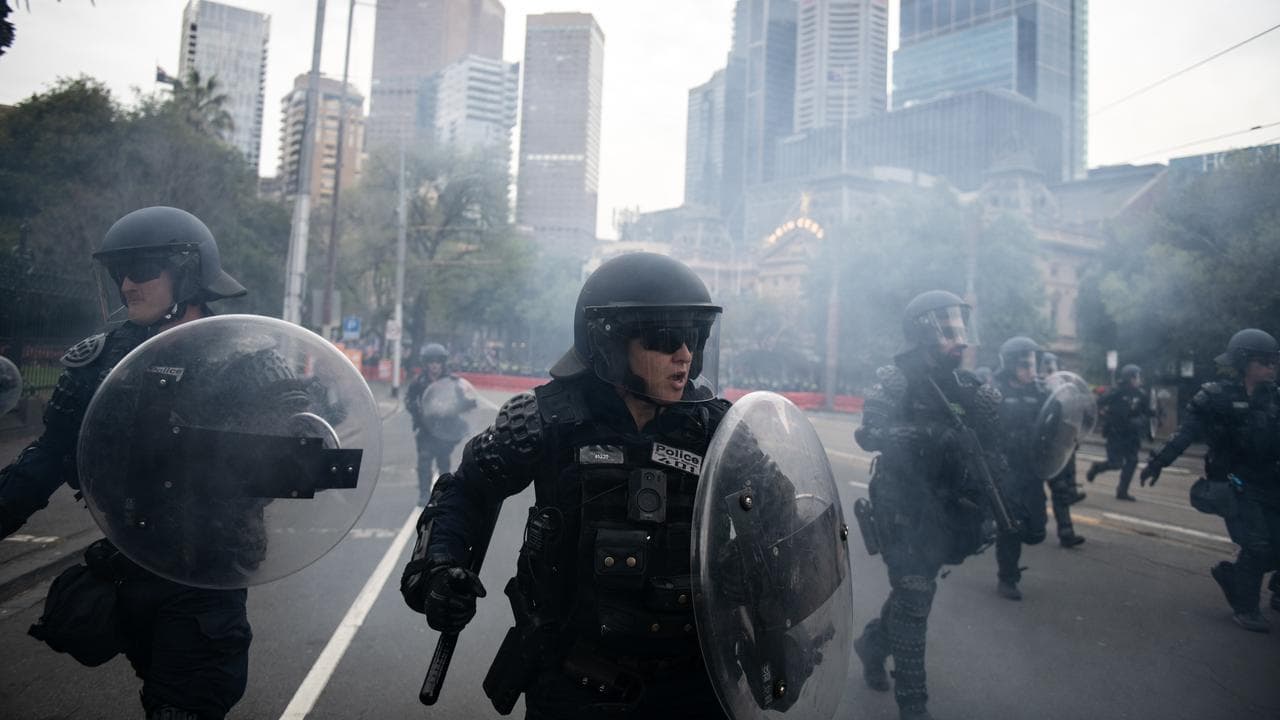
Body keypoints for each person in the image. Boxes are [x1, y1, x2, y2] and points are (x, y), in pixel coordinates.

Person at [400, 253, 737, 719]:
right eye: (665, 338)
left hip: (695, 685)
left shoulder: (721, 431)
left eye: (695, 337)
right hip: (577, 683)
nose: (684, 354)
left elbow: (784, 526)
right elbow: (464, 493)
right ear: (610, 344)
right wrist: (438, 569)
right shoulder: (546, 421)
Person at [0, 207, 253, 719]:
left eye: (141, 270)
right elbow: (46, 458)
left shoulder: (240, 357)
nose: (127, 285)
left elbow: (298, 454)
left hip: (204, 577)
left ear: (185, 272)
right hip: (128, 569)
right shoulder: (99, 362)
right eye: (119, 273)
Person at [852, 290, 1010, 720]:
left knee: (913, 594)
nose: (960, 341)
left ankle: (872, 643)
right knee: (915, 592)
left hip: (947, 509)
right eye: (948, 331)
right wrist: (932, 438)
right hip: (902, 502)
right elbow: (871, 433)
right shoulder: (897, 379)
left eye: (962, 330)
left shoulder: (970, 388)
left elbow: (994, 453)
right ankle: (914, 706)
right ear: (923, 334)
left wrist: (994, 506)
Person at [1140, 329, 1280, 633]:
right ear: (1244, 363)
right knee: (1257, 545)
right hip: (1236, 484)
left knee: (1275, 546)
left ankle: (1235, 578)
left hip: (1270, 482)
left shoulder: (1276, 398)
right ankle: (1246, 608)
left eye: (1274, 361)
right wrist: (1158, 462)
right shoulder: (1216, 397)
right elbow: (1185, 434)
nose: (1272, 367)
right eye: (1265, 361)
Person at [989, 336, 1053, 600]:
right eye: (1025, 364)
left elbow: (1055, 428)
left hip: (1031, 471)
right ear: (1011, 365)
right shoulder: (994, 393)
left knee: (1037, 530)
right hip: (1007, 472)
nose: (1031, 370)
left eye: (1033, 364)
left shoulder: (1040, 394)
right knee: (1011, 526)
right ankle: (1007, 577)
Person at [405, 343, 477, 505]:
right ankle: (424, 494)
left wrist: (469, 403)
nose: (434, 366)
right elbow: (409, 400)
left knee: (443, 462)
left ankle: (442, 494)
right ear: (426, 363)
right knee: (424, 460)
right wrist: (416, 409)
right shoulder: (419, 382)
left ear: (443, 363)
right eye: (431, 362)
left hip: (446, 429)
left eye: (438, 362)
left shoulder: (452, 382)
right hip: (425, 428)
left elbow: (461, 402)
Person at [1037, 352, 1087, 548]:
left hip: (1057, 445)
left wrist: (1074, 435)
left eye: (1053, 363)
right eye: (1046, 363)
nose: (1050, 367)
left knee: (1060, 489)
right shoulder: (1035, 388)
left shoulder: (1064, 389)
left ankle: (1066, 532)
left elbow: (1071, 414)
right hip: (1038, 447)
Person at [1086, 364, 1152, 500]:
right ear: (1131, 378)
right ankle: (1096, 468)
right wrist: (1103, 414)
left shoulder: (1141, 394)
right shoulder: (1117, 391)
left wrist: (1153, 415)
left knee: (1132, 461)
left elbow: (1146, 412)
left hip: (1131, 435)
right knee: (1115, 463)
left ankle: (1122, 492)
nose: (1139, 379)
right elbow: (1099, 402)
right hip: (1115, 433)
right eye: (1137, 376)